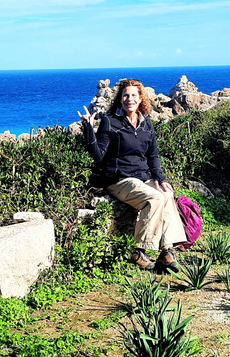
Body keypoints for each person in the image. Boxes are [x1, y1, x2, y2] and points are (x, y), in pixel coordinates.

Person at [78, 79, 186, 272]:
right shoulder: (110, 122)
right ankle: (138, 252)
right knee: (155, 198)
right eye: (126, 95)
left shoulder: (146, 124)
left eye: (134, 95)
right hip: (119, 180)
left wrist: (161, 179)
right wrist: (88, 129)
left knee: (166, 194)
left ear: (140, 98)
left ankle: (166, 251)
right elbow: (98, 156)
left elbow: (153, 156)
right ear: (120, 99)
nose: (130, 99)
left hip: (143, 178)